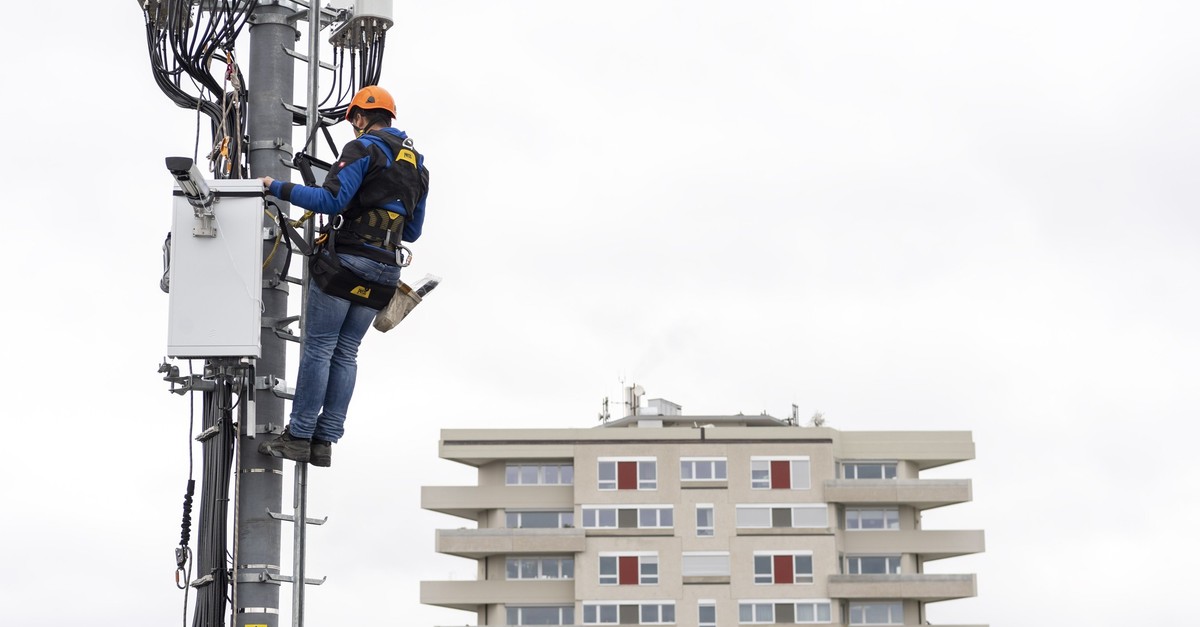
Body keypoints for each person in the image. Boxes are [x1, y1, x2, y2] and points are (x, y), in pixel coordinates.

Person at [257, 85, 429, 467]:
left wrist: (276, 186)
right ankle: (325, 441)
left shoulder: (362, 148)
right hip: (386, 269)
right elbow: (412, 231)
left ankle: (299, 436)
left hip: (348, 261)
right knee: (346, 352)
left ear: (359, 117)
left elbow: (330, 201)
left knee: (320, 347)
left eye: (353, 120)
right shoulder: (418, 164)